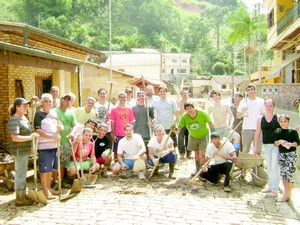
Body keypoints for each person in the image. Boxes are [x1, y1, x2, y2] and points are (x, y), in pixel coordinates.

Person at [8, 97, 39, 206]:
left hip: (25, 150)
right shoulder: (14, 120)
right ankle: (20, 198)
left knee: (23, 172)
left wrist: (31, 146)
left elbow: (27, 133)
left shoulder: (24, 118)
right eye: (24, 105)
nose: (26, 107)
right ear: (17, 107)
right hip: (19, 151)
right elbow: (15, 138)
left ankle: (23, 193)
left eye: (27, 105)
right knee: (21, 173)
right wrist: (31, 137)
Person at [34, 94, 62, 199]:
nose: (48, 103)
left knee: (50, 169)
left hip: (54, 146)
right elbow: (38, 130)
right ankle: (45, 191)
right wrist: (51, 137)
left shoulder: (54, 113)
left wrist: (61, 128)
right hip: (44, 146)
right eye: (46, 101)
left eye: (50, 101)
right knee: (45, 169)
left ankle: (49, 188)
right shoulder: (38, 114)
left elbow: (60, 126)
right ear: (42, 102)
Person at [178, 102, 214, 175]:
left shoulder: (201, 113)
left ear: (194, 107)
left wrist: (213, 134)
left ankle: (203, 170)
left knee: (202, 153)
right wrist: (175, 129)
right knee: (196, 153)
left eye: (190, 108)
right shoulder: (184, 117)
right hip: (193, 137)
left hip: (203, 136)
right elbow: (179, 127)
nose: (189, 110)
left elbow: (210, 122)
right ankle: (197, 170)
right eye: (187, 109)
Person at [253, 99, 280, 197]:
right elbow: (257, 133)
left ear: (274, 107)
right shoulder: (260, 119)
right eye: (267, 106)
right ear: (264, 106)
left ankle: (275, 189)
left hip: (276, 145)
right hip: (266, 145)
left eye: (270, 106)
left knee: (274, 166)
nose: (268, 108)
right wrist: (255, 147)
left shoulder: (278, 118)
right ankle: (270, 186)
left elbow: (284, 130)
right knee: (269, 166)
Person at [274, 114, 300, 202]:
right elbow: (275, 143)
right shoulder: (278, 131)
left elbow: (297, 143)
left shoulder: (293, 132)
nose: (283, 123)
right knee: (284, 174)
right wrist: (280, 141)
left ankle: (288, 194)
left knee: (290, 174)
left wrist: (290, 144)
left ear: (288, 122)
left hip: (291, 155)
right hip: (282, 154)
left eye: (285, 122)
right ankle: (286, 192)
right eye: (281, 122)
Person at [55, 94, 77, 187]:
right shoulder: (54, 111)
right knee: (55, 164)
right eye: (64, 99)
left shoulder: (70, 113)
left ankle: (63, 181)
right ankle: (55, 182)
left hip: (66, 141)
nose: (66, 101)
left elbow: (74, 125)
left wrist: (72, 133)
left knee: (64, 163)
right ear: (60, 100)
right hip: (55, 142)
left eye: (68, 100)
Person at [237, 84, 264, 153]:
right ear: (246, 92)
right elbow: (238, 116)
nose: (250, 91)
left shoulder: (261, 101)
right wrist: (243, 111)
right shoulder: (243, 102)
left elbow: (264, 114)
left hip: (258, 129)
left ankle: (258, 163)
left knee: (258, 150)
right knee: (246, 149)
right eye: (248, 90)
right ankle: (246, 163)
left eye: (252, 89)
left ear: (255, 90)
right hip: (246, 129)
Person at [152, 85, 179, 151]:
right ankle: (162, 158)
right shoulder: (155, 102)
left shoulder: (171, 101)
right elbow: (151, 113)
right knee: (161, 144)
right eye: (160, 91)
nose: (162, 93)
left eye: (164, 91)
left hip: (170, 126)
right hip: (160, 127)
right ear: (158, 93)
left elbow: (177, 113)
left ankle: (174, 157)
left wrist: (178, 126)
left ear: (166, 92)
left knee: (173, 143)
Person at [110, 92, 135, 162]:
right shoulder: (114, 109)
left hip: (127, 134)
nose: (122, 98)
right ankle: (116, 164)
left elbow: (132, 121)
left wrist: (132, 133)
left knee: (126, 151)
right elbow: (112, 123)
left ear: (126, 98)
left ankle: (125, 165)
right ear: (118, 98)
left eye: (124, 97)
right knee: (117, 151)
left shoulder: (129, 109)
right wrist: (113, 134)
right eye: (121, 97)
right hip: (118, 134)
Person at [177, 89, 190, 159]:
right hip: (181, 124)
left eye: (185, 93)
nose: (184, 95)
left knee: (189, 139)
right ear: (180, 95)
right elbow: (176, 114)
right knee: (180, 139)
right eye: (182, 93)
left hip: (189, 124)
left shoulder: (190, 103)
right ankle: (182, 153)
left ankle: (189, 153)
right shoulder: (178, 103)